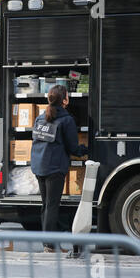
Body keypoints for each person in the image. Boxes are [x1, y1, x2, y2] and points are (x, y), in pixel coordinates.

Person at [30, 85, 88, 253]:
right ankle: (50, 244)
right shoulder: (66, 120)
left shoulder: (40, 118)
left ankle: (47, 243)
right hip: (54, 168)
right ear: (65, 100)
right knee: (52, 206)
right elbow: (73, 149)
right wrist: (87, 149)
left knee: (46, 205)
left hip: (39, 166)